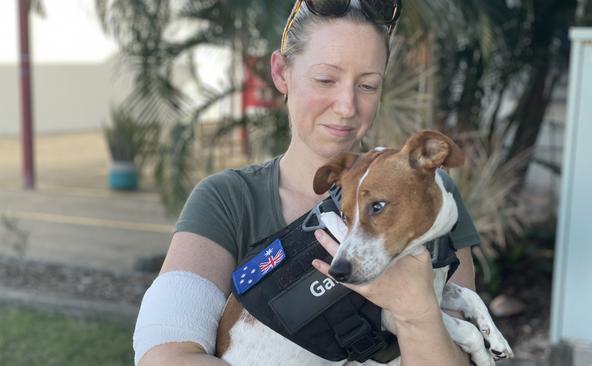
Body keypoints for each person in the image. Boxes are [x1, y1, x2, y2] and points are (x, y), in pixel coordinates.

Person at [133, 1, 481, 365]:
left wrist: (417, 314)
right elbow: (166, 356)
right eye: (325, 79)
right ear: (282, 73)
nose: (347, 106)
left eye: (367, 85)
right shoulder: (229, 200)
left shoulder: (427, 197)